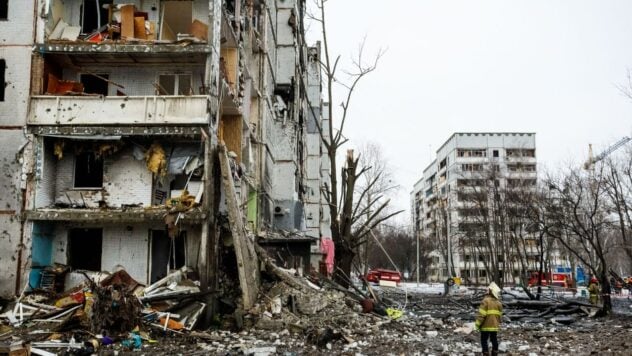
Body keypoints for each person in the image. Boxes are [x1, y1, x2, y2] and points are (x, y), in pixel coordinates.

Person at [475, 282, 503, 356]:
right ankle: (495, 353)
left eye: (488, 289)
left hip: (485, 326)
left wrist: (477, 325)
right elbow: (500, 316)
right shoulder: (499, 303)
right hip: (494, 326)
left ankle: (486, 353)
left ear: (490, 291)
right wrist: (498, 323)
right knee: (494, 339)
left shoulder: (485, 301)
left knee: (484, 340)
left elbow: (481, 315)